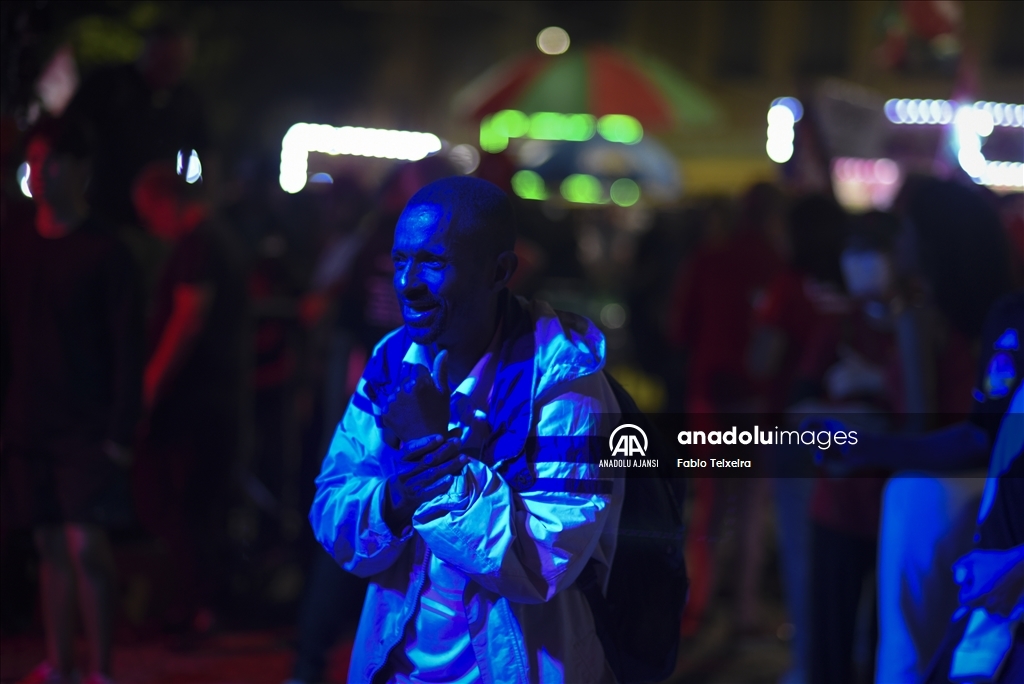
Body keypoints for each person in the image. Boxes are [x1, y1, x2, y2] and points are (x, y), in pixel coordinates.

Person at [309, 176, 624, 683]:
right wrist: (395, 497)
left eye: (433, 262)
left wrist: (427, 447)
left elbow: (545, 559)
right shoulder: (393, 358)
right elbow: (331, 510)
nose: (407, 283)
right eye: (400, 260)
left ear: (500, 271)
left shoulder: (567, 379)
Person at [2, 122, 143, 684]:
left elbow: (128, 345)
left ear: (82, 170)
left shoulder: (106, 249)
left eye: (54, 160)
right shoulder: (15, 242)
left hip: (86, 423)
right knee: (48, 543)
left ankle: (100, 669)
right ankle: (58, 663)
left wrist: (120, 430)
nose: (42, 172)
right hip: (27, 418)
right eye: (36, 160)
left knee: (86, 544)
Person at [131, 160, 244, 635]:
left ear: (164, 202)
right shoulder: (217, 239)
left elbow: (188, 317)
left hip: (195, 401)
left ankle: (197, 606)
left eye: (148, 213)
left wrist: (149, 385)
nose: (149, 225)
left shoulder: (199, 244)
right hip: (213, 397)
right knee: (195, 505)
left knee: (179, 503)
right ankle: (201, 604)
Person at [62, 24, 208, 226]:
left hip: (155, 219)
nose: (174, 70)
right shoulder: (109, 83)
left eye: (180, 62)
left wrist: (197, 206)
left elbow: (208, 153)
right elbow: (68, 137)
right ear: (149, 51)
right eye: (167, 60)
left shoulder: (187, 101)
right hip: (97, 206)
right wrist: (71, 197)